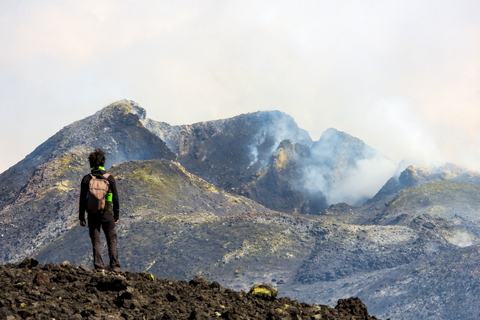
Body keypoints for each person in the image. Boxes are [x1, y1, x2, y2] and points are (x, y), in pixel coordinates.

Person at [79, 148, 121, 274]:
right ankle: (115, 268)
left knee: (96, 240)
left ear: (90, 163)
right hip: (107, 213)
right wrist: (116, 215)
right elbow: (116, 198)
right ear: (103, 162)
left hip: (92, 214)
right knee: (111, 239)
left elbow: (82, 200)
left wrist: (81, 217)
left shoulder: (86, 179)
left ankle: (99, 268)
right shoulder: (109, 178)